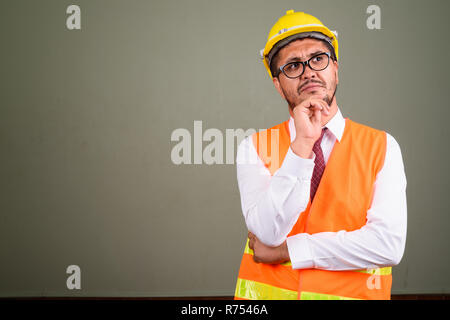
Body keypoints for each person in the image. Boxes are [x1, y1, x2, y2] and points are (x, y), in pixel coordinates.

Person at [234, 10, 407, 300]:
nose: (308, 71)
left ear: (335, 69)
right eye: (292, 66)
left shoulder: (383, 146)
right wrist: (302, 144)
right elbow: (267, 235)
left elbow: (387, 246)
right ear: (278, 85)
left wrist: (288, 251)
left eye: (318, 59)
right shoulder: (253, 147)